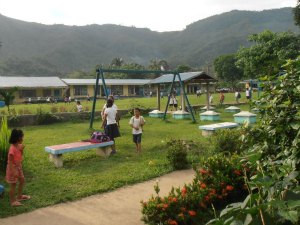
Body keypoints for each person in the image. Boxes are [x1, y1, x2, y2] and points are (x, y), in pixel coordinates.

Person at [6, 129, 30, 207]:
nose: (23, 139)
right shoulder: (12, 149)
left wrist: (22, 150)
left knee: (22, 180)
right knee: (13, 184)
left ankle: (19, 196)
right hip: (12, 169)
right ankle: (12, 201)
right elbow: (10, 162)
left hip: (18, 167)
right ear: (18, 138)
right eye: (22, 137)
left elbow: (20, 156)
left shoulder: (18, 146)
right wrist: (13, 172)